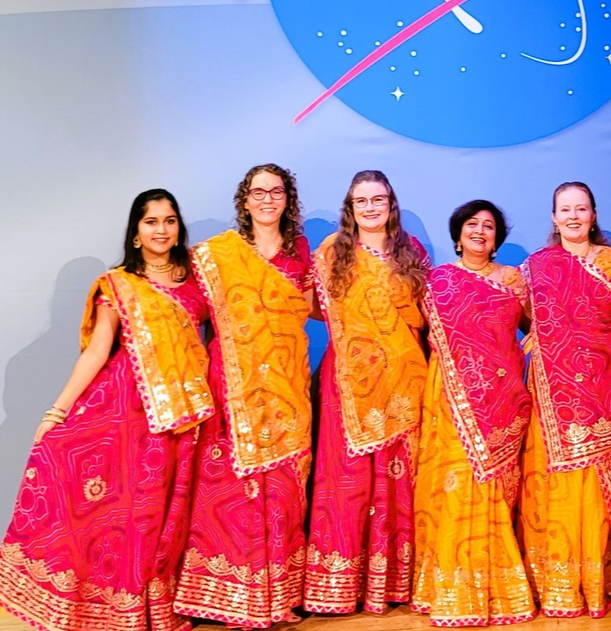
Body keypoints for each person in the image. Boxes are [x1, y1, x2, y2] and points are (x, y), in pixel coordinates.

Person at [0, 190, 214, 631]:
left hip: (181, 417)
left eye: (169, 221)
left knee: (159, 515)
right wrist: (56, 412)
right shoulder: (118, 284)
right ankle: (104, 606)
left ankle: (148, 607)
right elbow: (96, 353)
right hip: (124, 410)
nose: (161, 230)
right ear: (135, 233)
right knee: (120, 510)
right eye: (151, 222)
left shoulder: (197, 284)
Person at [175, 164, 314, 629]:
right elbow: (186, 309)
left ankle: (277, 599)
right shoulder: (218, 255)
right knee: (231, 489)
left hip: (288, 388)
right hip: (232, 384)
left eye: (277, 192)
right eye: (259, 192)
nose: (267, 199)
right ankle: (229, 598)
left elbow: (320, 309)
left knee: (282, 490)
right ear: (245, 199)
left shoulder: (301, 255)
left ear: (287, 200)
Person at [304, 169, 430, 614]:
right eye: (362, 201)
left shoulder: (410, 251)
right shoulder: (333, 252)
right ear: (351, 207)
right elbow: (314, 305)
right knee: (348, 481)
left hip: (404, 380)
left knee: (400, 482)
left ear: (390, 204)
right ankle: (339, 586)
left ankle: (395, 581)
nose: (371, 207)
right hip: (350, 385)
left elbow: (425, 312)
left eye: (379, 199)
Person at [518, 181, 611, 618]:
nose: (572, 216)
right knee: (557, 486)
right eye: (564, 210)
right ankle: (560, 582)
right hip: (552, 395)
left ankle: (600, 579)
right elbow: (526, 318)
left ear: (593, 214)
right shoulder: (534, 268)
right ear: (553, 217)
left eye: (581, 208)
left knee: (597, 482)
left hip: (604, 389)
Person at [412, 200, 536, 626]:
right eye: (472, 224)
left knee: (494, 489)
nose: (480, 231)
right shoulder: (437, 280)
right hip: (451, 403)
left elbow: (540, 327)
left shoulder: (514, 281)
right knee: (456, 487)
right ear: (458, 232)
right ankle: (452, 585)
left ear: (498, 237)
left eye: (489, 226)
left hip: (503, 401)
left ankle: (498, 586)